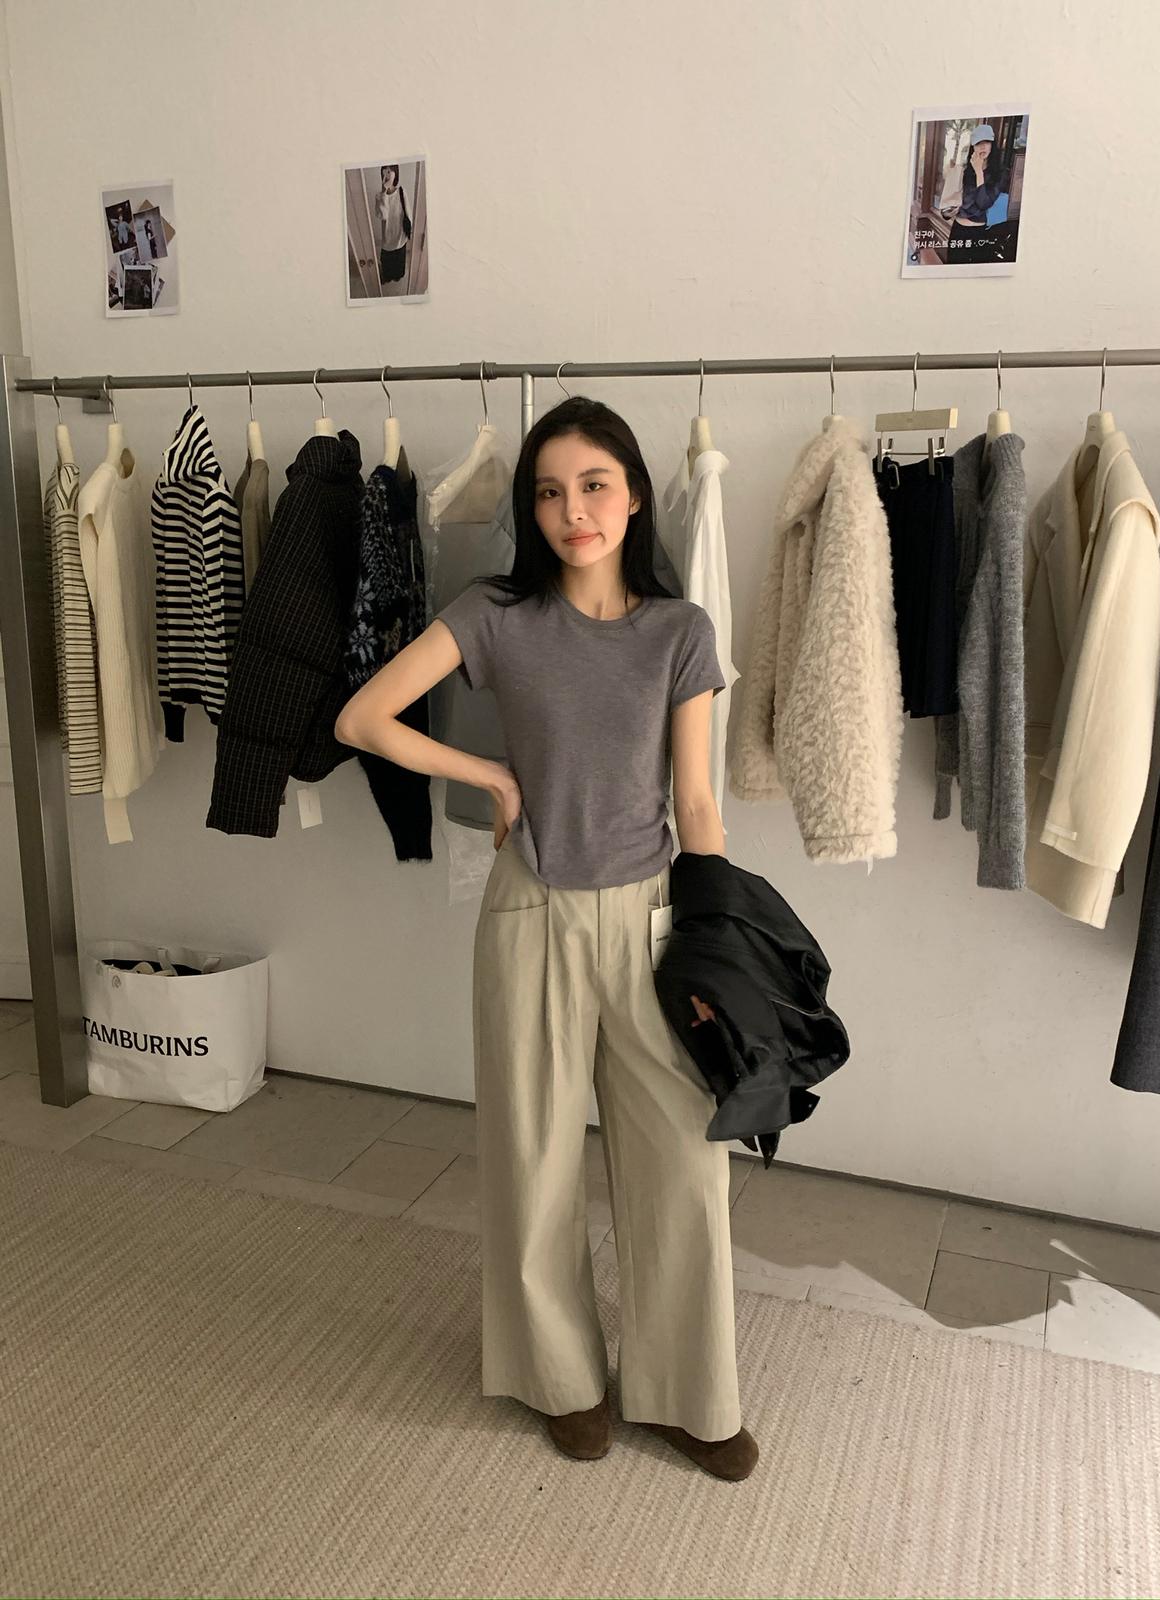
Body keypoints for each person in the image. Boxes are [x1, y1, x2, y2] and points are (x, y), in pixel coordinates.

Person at [334, 396, 759, 1482]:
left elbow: (697, 804)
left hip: (654, 919)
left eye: (595, 485)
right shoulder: (495, 615)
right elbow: (362, 718)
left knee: (684, 1161)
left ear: (636, 494)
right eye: (551, 492)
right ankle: (564, 1381)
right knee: (532, 1159)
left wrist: (714, 946)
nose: (575, 510)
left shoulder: (681, 632)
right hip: (531, 913)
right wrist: (486, 774)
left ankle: (691, 1393)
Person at [946, 122, 1012, 264]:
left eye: (986, 142)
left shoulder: (1000, 173)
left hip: (980, 233)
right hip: (958, 230)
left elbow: (983, 203)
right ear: (973, 147)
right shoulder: (964, 171)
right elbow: (951, 204)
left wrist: (979, 172)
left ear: (992, 145)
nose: (982, 147)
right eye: (978, 143)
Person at [374, 164, 412, 285]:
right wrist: (384, 193)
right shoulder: (379, 196)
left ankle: (397, 276)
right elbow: (383, 215)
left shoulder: (402, 192)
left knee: (399, 262)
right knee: (387, 262)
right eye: (384, 172)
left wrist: (408, 232)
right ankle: (387, 276)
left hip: (400, 235)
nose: (386, 175)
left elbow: (408, 213)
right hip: (387, 237)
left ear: (396, 174)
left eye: (389, 171)